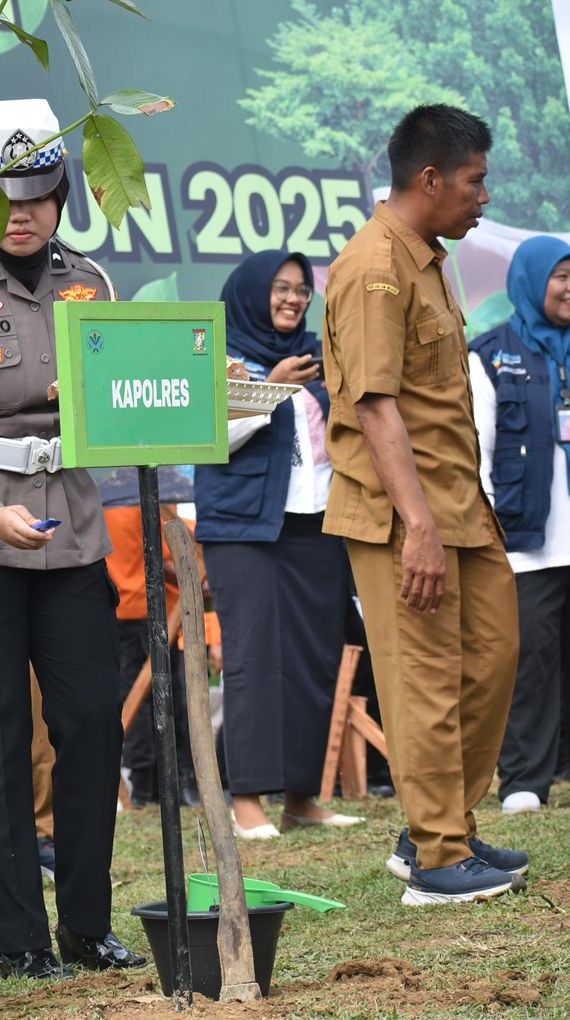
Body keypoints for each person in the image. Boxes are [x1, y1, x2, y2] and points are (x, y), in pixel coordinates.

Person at [0, 98, 145, 978]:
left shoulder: (93, 284)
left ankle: (87, 924)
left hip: (71, 536)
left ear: (64, 193)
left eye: (41, 193)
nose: (25, 211)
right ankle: (22, 944)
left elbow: (120, 398)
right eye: (5, 196)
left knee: (90, 727)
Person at [321, 105, 526, 905]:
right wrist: (418, 529)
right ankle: (438, 861)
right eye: (475, 180)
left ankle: (438, 824)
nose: (484, 195)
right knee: (427, 677)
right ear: (431, 178)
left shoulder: (430, 258)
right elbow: (376, 408)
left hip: (458, 504)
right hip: (404, 514)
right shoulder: (373, 267)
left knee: (493, 657)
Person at [198, 251, 366, 839]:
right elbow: (211, 437)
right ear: (251, 293)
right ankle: (247, 800)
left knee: (316, 662)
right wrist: (269, 389)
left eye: (300, 290)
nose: (293, 299)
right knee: (253, 662)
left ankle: (303, 798)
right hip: (244, 530)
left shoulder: (320, 360)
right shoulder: (219, 358)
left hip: (316, 527)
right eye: (280, 288)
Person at [468, 237, 570, 815]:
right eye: (560, 278)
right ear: (530, 281)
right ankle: (526, 778)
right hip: (528, 544)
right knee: (529, 663)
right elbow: (479, 452)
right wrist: (494, 532)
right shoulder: (491, 355)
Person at [105, 497, 199, 811]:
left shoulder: (100, 501)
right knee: (169, 698)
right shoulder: (141, 497)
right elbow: (180, 550)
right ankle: (176, 781)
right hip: (153, 610)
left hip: (115, 610)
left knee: (132, 698)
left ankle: (143, 786)